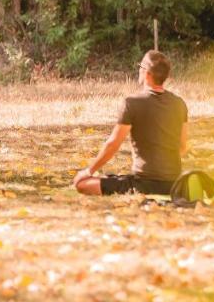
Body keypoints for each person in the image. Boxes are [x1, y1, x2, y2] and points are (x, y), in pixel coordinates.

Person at [75, 50, 189, 196]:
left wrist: (89, 170)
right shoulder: (180, 104)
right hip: (174, 185)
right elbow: (183, 147)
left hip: (143, 185)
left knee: (82, 184)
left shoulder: (132, 103)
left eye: (141, 67)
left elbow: (113, 144)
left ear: (147, 73)